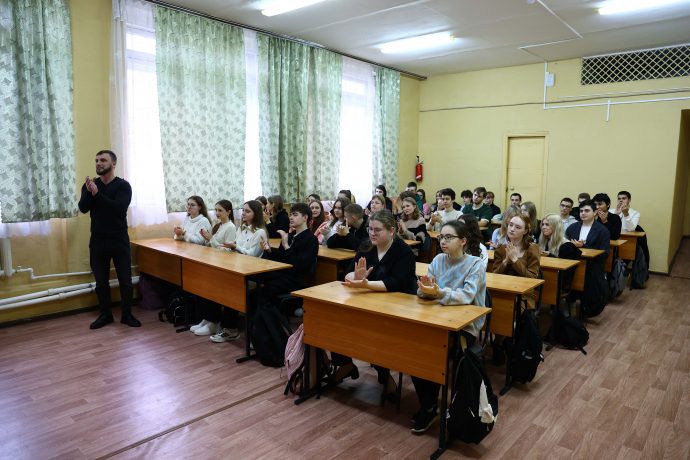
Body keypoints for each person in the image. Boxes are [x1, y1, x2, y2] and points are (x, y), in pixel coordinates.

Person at [412, 220, 487, 434]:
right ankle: (429, 404)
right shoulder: (438, 259)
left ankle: (431, 406)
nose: (443, 241)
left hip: (464, 326)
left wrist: (437, 292)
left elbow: (467, 296)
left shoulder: (475, 264)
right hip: (437, 318)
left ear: (463, 241)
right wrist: (425, 289)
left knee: (432, 352)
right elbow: (426, 291)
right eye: (441, 237)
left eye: (448, 237)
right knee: (412, 349)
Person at [333, 210, 417, 396]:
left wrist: (365, 284)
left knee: (376, 333)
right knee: (337, 320)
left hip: (396, 305)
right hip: (368, 300)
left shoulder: (403, 252)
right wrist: (356, 276)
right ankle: (345, 364)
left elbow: (397, 283)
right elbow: (348, 273)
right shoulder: (366, 246)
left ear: (391, 230)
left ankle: (384, 374)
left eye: (377, 230)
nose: (372, 233)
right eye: (370, 229)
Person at [78, 150, 140, 329]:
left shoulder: (123, 186)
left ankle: (127, 315)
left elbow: (118, 209)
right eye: (96, 160)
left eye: (103, 160)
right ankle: (105, 315)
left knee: (125, 281)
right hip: (98, 240)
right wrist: (89, 192)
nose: (98, 163)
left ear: (113, 164)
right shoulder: (91, 185)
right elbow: (83, 208)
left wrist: (97, 194)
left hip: (119, 239)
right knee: (101, 282)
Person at [192, 200, 241, 340]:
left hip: (224, 265)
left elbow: (227, 250)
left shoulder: (230, 227)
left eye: (220, 210)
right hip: (214, 262)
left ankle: (213, 321)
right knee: (202, 284)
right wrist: (207, 238)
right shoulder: (219, 225)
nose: (217, 213)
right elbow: (213, 245)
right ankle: (208, 318)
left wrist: (211, 239)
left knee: (211, 286)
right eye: (216, 210)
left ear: (229, 212)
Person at [259, 203, 319, 309]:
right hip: (283, 275)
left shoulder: (311, 239)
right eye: (290, 215)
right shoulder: (290, 236)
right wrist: (269, 250)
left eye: (295, 215)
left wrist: (286, 246)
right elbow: (280, 259)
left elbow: (300, 265)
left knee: (265, 290)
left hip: (295, 280)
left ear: (305, 218)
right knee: (258, 280)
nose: (291, 217)